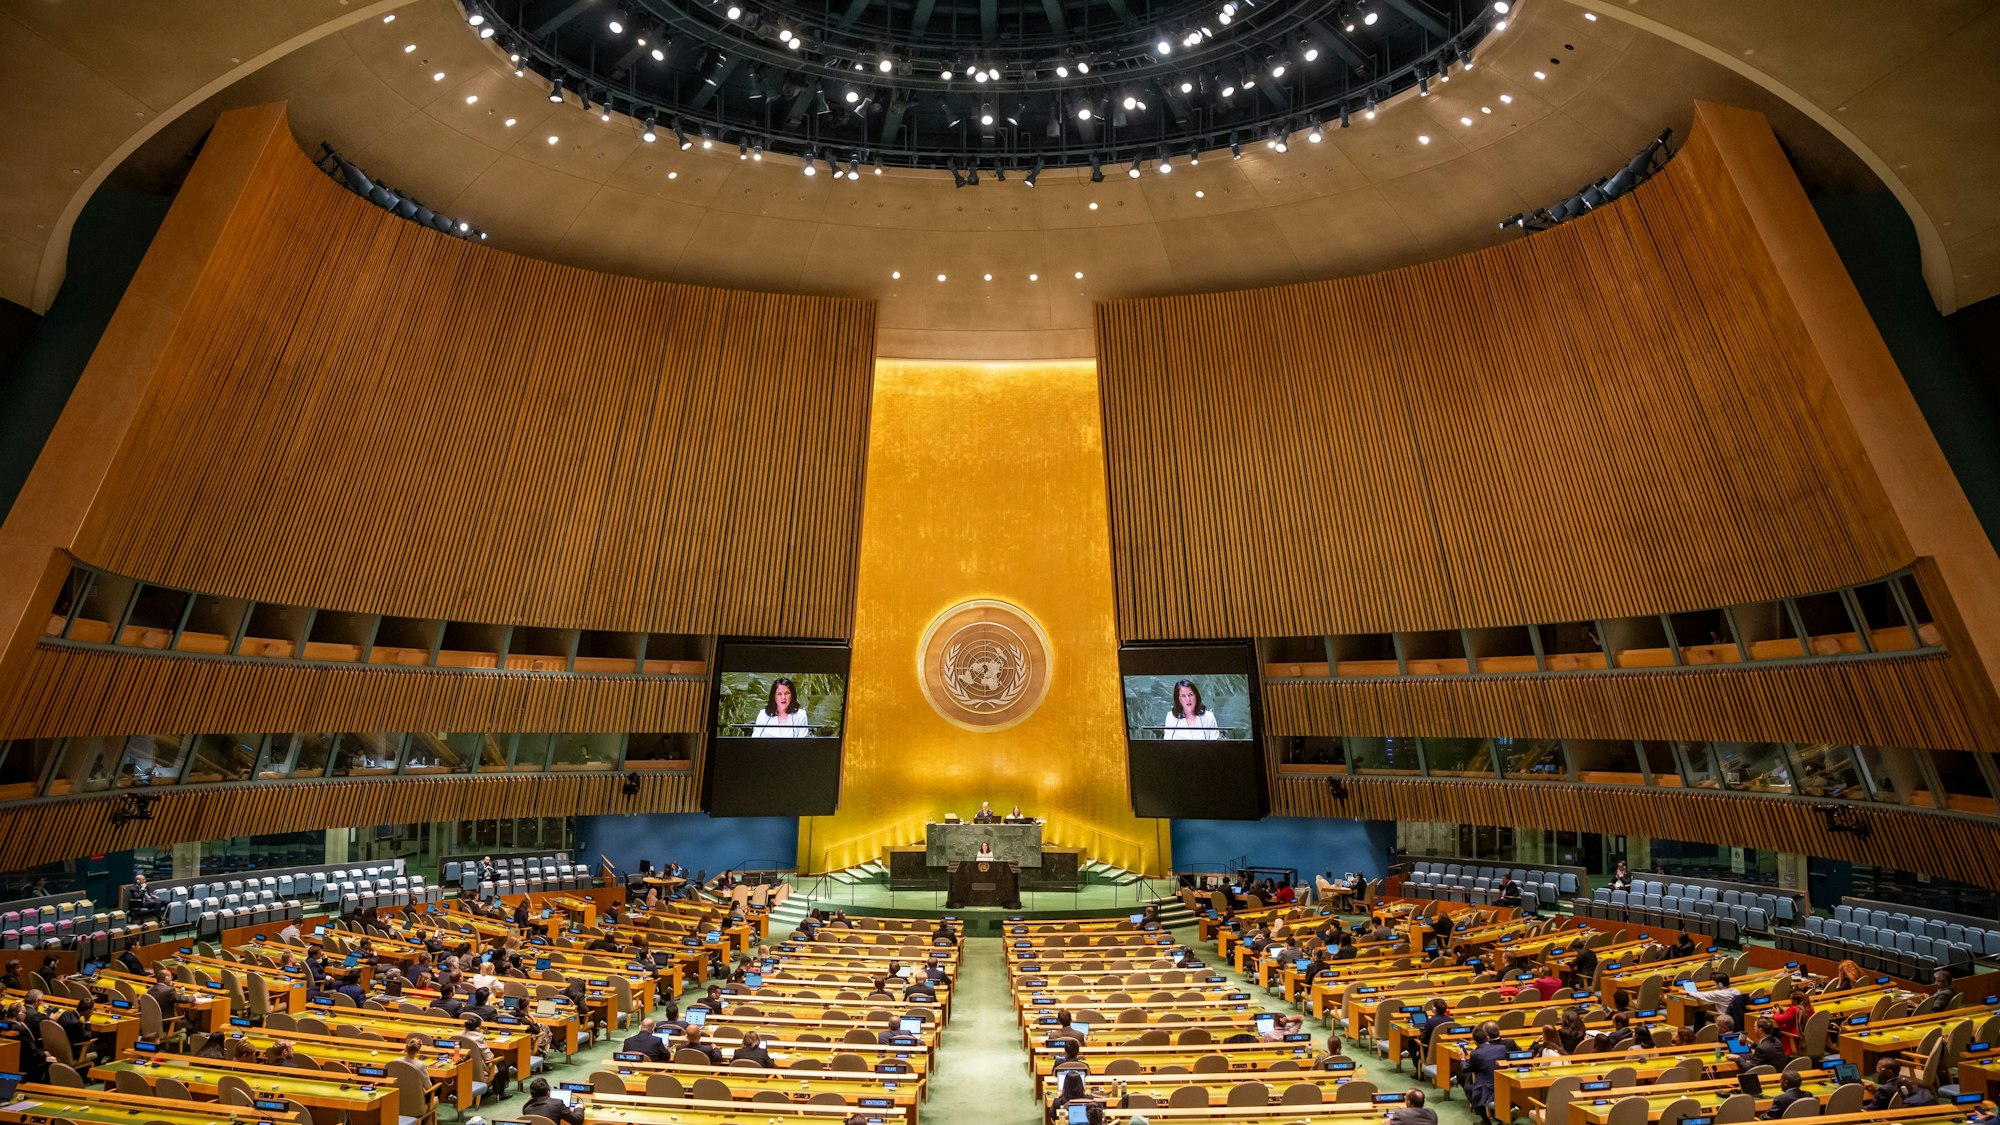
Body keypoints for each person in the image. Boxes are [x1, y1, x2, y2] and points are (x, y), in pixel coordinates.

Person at [462, 1015, 515, 1097]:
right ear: (478, 1028)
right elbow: (489, 1057)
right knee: (501, 1062)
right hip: (480, 1070)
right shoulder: (479, 1037)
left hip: (464, 1068)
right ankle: (500, 1093)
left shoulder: (459, 1035)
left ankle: (485, 1091)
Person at [521, 1077, 585, 1125]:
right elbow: (577, 1121)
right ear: (548, 1092)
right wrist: (578, 1107)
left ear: (531, 1095)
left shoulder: (526, 1108)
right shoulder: (557, 1104)